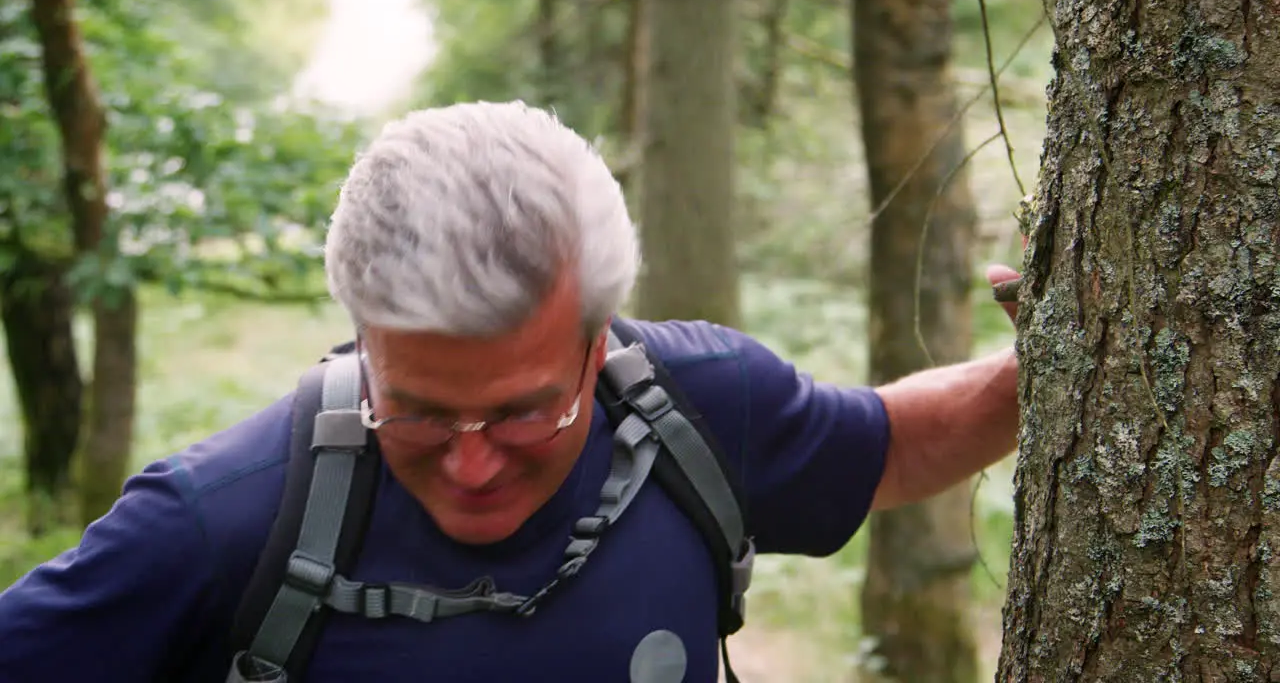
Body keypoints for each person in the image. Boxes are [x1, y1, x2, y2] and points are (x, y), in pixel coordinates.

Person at [0, 101, 1021, 683]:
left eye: (525, 410)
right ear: (361, 337)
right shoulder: (221, 520)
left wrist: (1053, 357)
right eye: (421, 413)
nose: (474, 462)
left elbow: (890, 444)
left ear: (596, 345)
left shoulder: (698, 408)